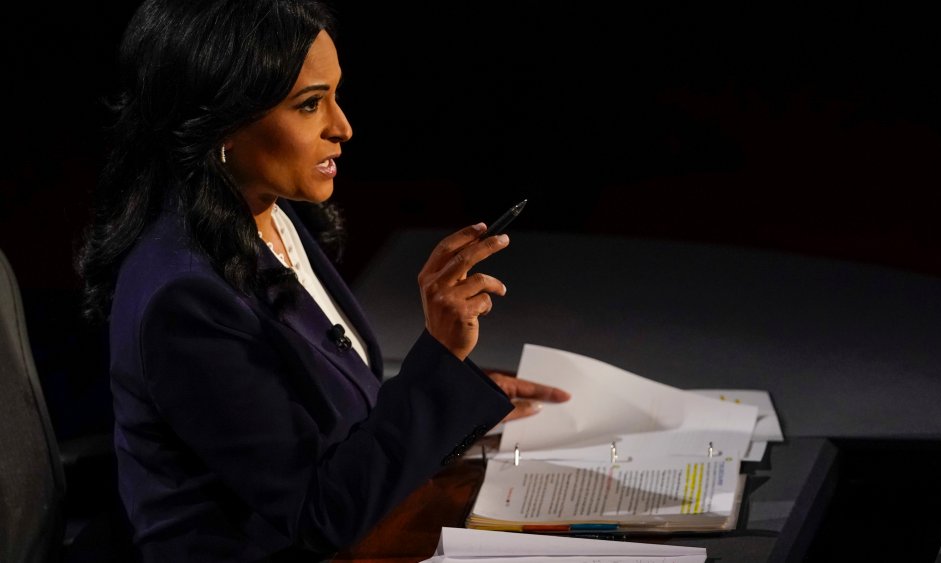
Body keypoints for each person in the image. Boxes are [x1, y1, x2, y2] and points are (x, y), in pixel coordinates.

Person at [75, 0, 570, 560]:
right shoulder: (185, 298)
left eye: (336, 95)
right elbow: (319, 516)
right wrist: (438, 364)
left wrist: (450, 395)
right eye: (311, 105)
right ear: (222, 124)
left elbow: (329, 413)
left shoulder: (264, 212)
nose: (343, 127)